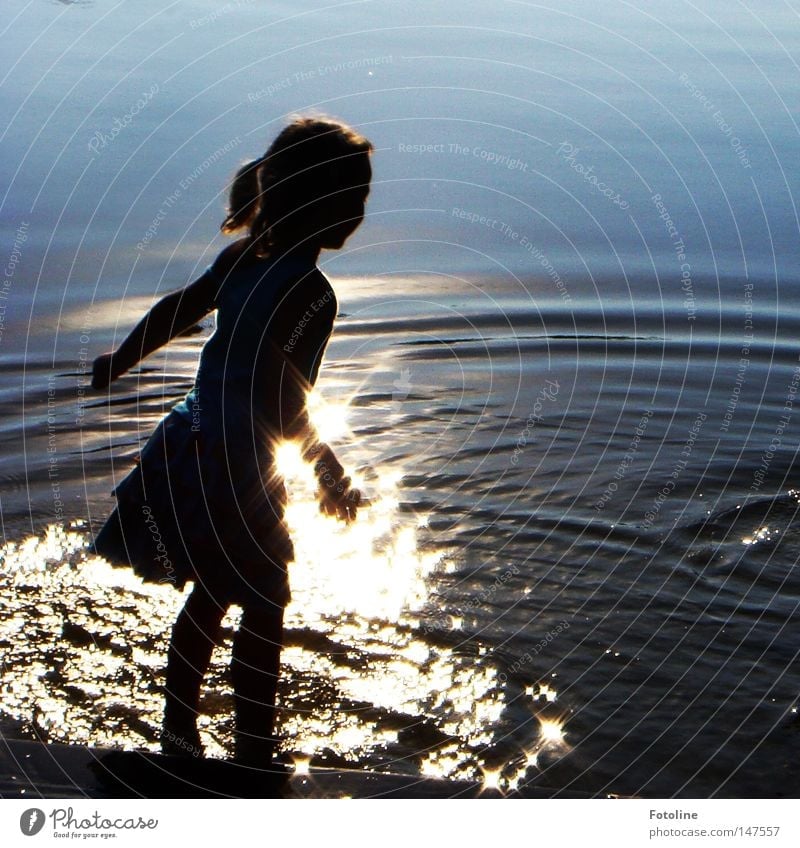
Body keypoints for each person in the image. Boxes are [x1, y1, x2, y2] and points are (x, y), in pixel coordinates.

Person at [90, 116, 372, 765]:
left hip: (190, 443)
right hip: (238, 464)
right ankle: (253, 739)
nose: (360, 211)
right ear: (319, 202)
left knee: (214, 591)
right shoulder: (309, 290)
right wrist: (327, 471)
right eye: (352, 196)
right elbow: (284, 395)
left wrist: (120, 359)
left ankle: (180, 729)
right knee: (266, 598)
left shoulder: (242, 259)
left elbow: (174, 311)